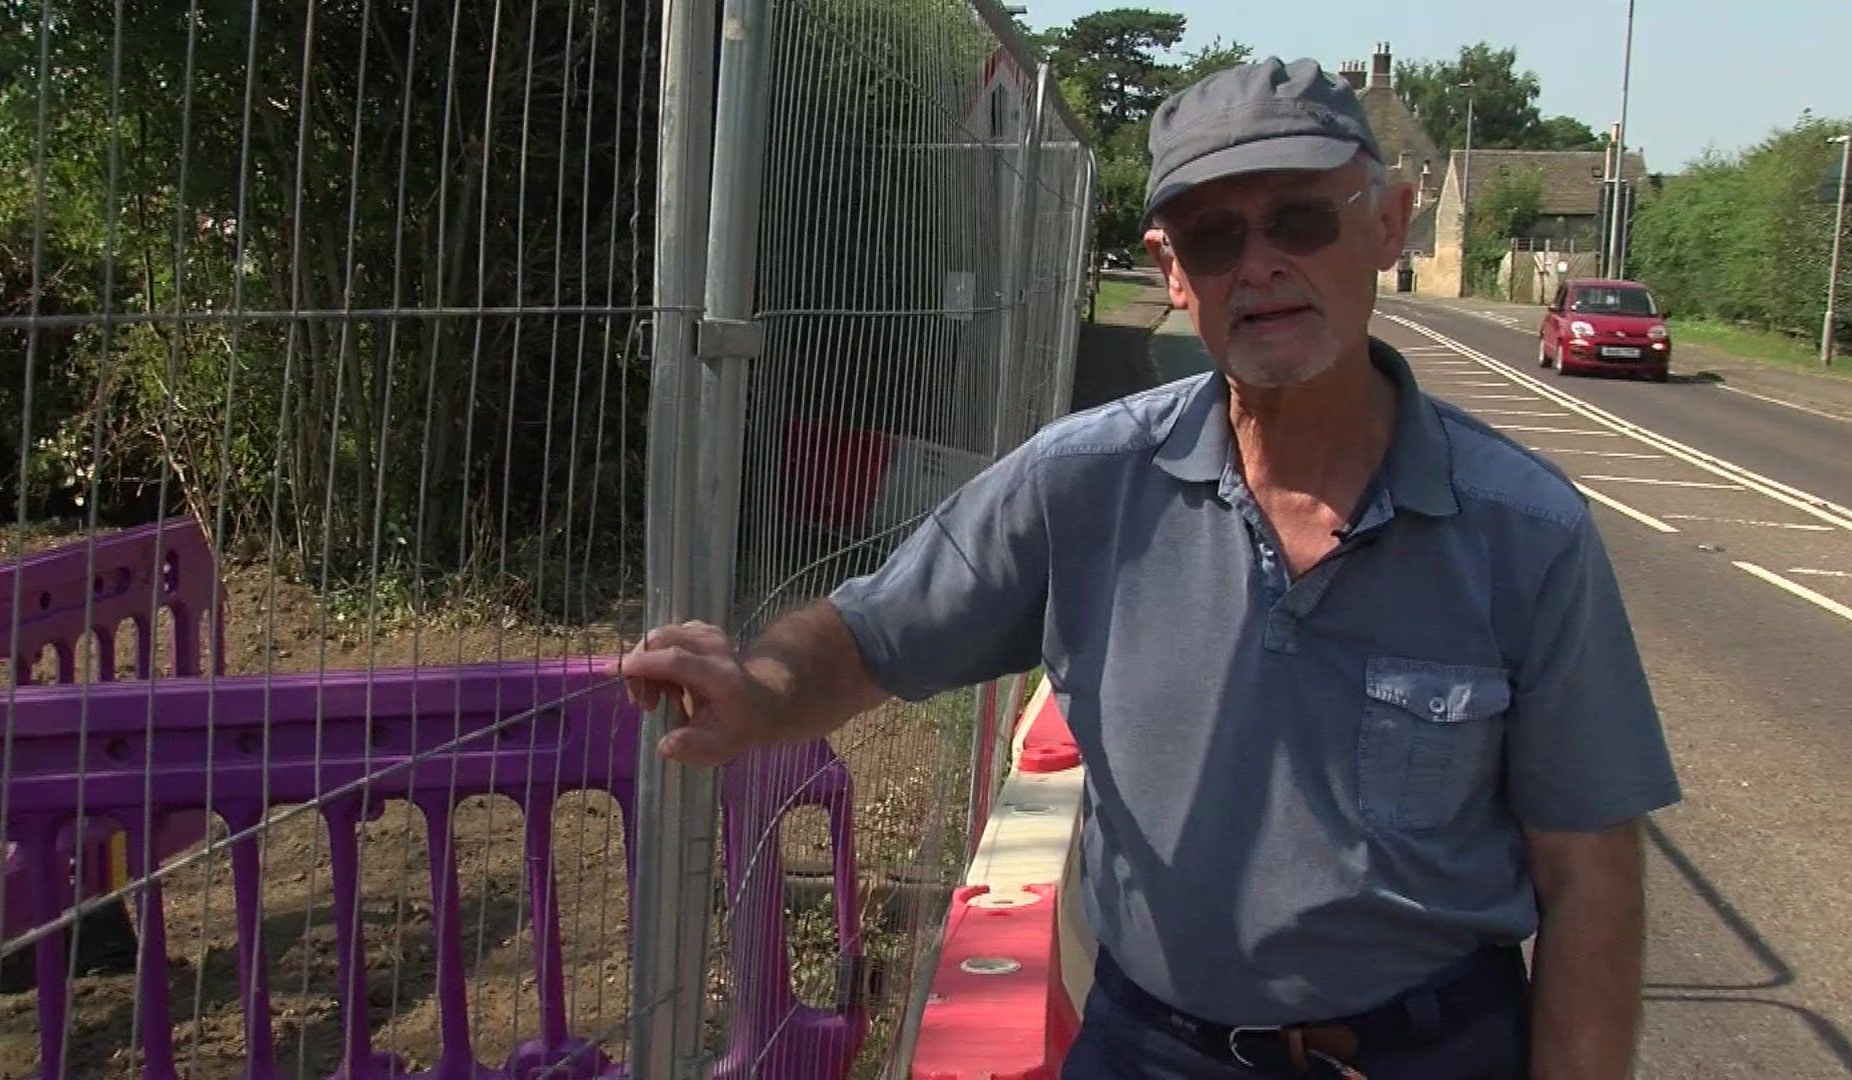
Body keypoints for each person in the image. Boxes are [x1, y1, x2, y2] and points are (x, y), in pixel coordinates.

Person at [622, 57, 1679, 1080]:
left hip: (1428, 1051)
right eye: (1215, 236)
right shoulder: (1082, 484)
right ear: (1173, 272)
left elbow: (1588, 874)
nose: (1259, 264)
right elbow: (870, 635)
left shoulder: (1523, 530)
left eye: (1300, 219)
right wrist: (759, 692)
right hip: (1154, 1050)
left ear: (1388, 226)